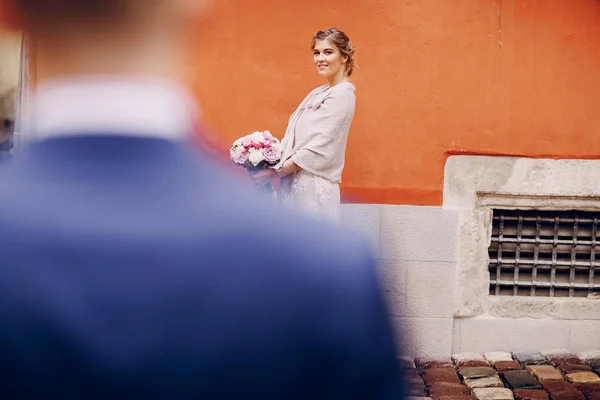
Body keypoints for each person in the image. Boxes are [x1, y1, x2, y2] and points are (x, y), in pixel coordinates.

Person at [0, 1, 403, 398]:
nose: (319, 58)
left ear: (12, 14)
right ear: (197, 9)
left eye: (326, 51)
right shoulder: (327, 267)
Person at [251, 28, 356, 222]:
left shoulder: (342, 96)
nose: (320, 58)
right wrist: (266, 157)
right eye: (316, 53)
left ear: (344, 57)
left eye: (328, 52)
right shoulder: (318, 93)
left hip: (313, 189)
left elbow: (319, 146)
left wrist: (274, 171)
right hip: (293, 184)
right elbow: (295, 137)